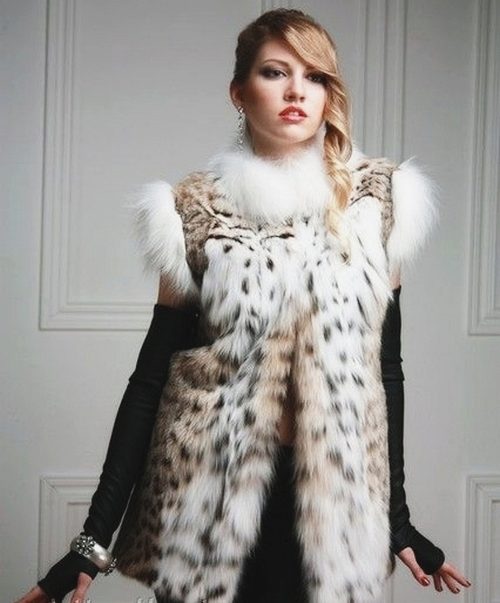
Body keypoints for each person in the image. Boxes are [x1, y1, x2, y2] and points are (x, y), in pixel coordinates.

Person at [16, 8, 471, 603]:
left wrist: (398, 521)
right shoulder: (193, 210)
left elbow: (385, 373)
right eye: (275, 72)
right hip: (206, 504)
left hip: (335, 511)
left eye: (315, 77)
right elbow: (150, 380)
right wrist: (92, 540)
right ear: (239, 92)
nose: (296, 91)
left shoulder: (376, 204)